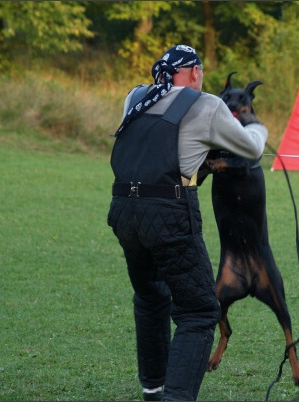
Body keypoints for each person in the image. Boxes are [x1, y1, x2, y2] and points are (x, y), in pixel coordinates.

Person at [107, 45, 268, 401]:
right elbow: (250, 149)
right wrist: (258, 128)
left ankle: (154, 389)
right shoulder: (206, 104)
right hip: (169, 213)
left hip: (124, 212)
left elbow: (161, 142)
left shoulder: (134, 96)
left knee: (150, 297)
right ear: (195, 73)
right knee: (199, 312)